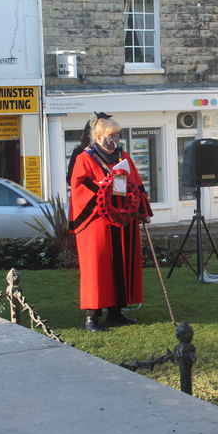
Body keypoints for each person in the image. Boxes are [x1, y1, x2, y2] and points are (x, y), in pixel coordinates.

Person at [69, 116, 152, 332]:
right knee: (98, 268)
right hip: (97, 222)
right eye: (110, 135)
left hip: (122, 220)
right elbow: (79, 186)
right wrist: (103, 193)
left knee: (121, 264)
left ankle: (116, 312)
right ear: (98, 136)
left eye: (117, 135)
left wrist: (141, 208)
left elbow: (135, 182)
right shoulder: (84, 158)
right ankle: (92, 316)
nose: (114, 140)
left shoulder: (122, 156)